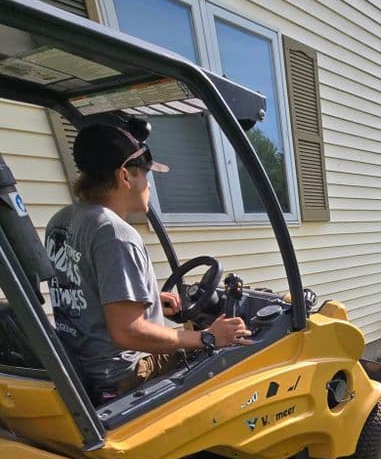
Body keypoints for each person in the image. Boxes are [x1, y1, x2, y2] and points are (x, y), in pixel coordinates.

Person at [45, 123, 250, 397]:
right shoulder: (115, 234)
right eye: (144, 174)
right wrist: (209, 336)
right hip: (125, 373)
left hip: (82, 364)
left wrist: (149, 302)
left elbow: (87, 294)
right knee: (232, 362)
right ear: (125, 176)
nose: (149, 184)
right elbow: (127, 333)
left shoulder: (62, 221)